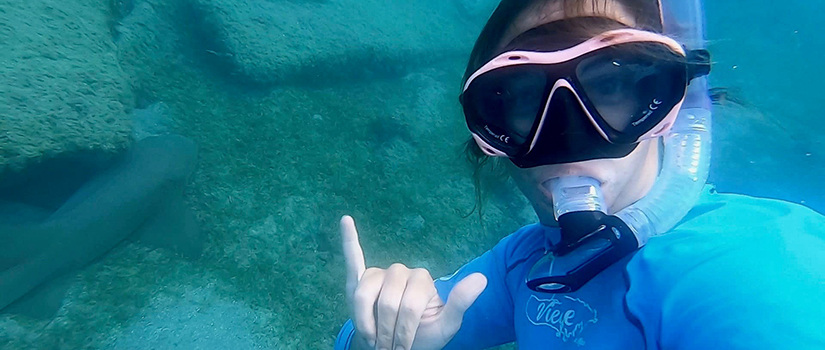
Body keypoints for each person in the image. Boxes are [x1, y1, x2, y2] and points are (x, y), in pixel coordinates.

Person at [335, 0, 825, 349]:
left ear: (672, 104)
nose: (569, 136)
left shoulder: (757, 262)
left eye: (611, 84)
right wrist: (378, 337)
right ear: (492, 134)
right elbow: (364, 338)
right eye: (524, 98)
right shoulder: (527, 263)